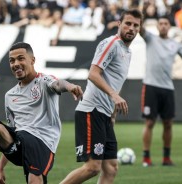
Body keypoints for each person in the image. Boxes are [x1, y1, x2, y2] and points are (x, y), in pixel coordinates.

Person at [0, 42, 83, 184]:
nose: (16, 64)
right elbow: (12, 133)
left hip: (42, 141)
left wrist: (69, 86)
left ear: (32, 60)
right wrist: (0, 167)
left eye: (21, 58)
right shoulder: (10, 95)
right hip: (21, 140)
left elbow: (58, 84)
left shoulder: (44, 81)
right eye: (12, 60)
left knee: (34, 180)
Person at [60, 9, 143, 184]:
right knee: (92, 167)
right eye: (128, 23)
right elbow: (93, 74)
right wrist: (114, 96)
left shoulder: (128, 53)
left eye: (136, 25)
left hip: (105, 114)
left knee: (111, 168)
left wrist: (112, 114)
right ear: (119, 24)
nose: (131, 28)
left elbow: (114, 82)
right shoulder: (111, 43)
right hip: (91, 110)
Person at [140, 15, 182, 167]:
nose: (163, 26)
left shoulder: (176, 44)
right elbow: (139, 29)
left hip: (168, 88)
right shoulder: (150, 38)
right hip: (151, 86)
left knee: (168, 124)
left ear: (170, 26)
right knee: (149, 122)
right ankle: (146, 158)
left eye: (165, 23)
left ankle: (166, 158)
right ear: (157, 26)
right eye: (160, 23)